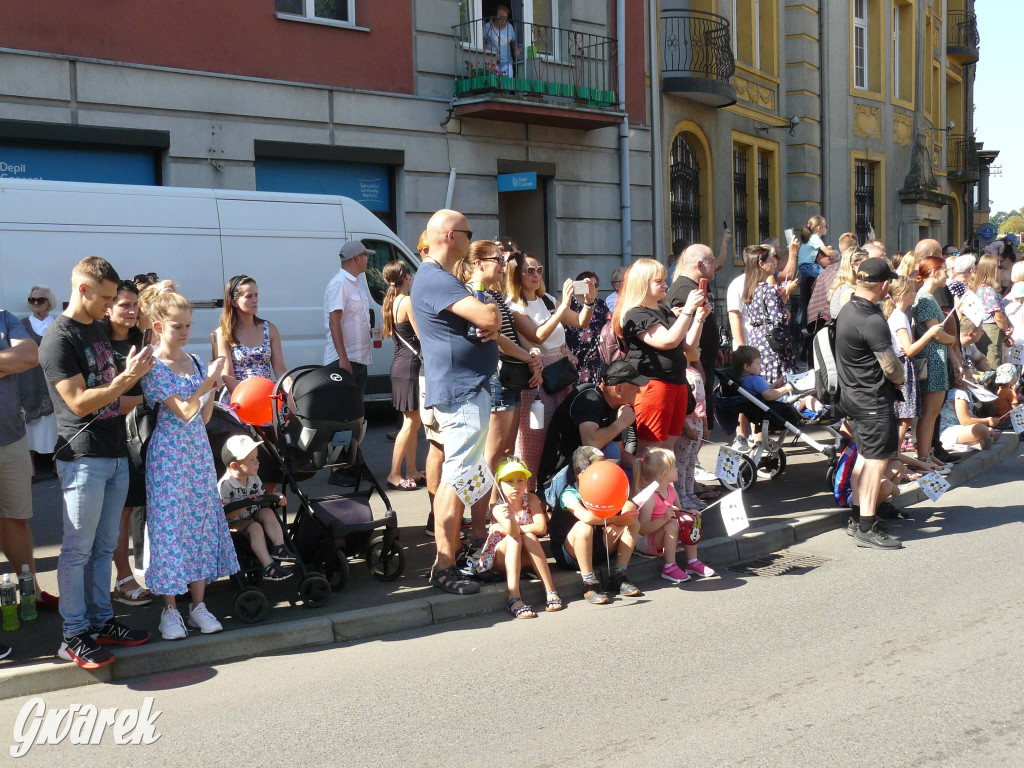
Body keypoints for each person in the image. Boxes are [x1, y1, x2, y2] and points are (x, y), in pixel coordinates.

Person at [39, 256, 154, 669]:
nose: (110, 306)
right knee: (77, 551)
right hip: (82, 457)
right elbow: (78, 401)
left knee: (104, 547)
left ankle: (102, 621)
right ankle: (72, 636)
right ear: (83, 289)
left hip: (114, 452)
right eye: (105, 297)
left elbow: (114, 398)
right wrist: (125, 379)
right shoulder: (58, 338)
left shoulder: (96, 328)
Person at [140, 289, 239, 640]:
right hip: (168, 456)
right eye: (177, 326)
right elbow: (182, 412)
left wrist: (208, 386)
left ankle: (198, 605)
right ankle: (170, 610)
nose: (184, 332)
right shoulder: (153, 366)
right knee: (169, 529)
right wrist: (209, 381)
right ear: (158, 326)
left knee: (199, 524)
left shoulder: (196, 361)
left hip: (196, 453)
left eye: (188, 325)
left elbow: (204, 414)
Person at [412, 209, 500, 595]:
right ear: (451, 236)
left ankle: (460, 556)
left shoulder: (441, 278)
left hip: (466, 388)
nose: (471, 239)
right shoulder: (434, 278)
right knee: (457, 476)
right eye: (468, 233)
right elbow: (485, 314)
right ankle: (443, 565)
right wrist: (491, 314)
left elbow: (484, 322)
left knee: (467, 475)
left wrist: (489, 321)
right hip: (460, 392)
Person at [455, 241, 540, 534]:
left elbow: (509, 335)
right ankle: (483, 521)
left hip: (510, 374)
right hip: (495, 376)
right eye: (498, 260)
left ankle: (497, 510)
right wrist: (527, 357)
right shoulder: (472, 294)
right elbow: (496, 339)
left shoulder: (493, 294)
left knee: (505, 449)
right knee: (489, 455)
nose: (504, 266)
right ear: (478, 263)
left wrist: (532, 358)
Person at [507, 252, 595, 489]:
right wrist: (563, 305)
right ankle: (529, 492)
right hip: (539, 375)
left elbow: (580, 321)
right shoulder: (512, 306)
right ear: (516, 275)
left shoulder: (546, 298)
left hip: (561, 373)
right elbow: (538, 335)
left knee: (561, 435)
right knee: (535, 438)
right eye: (530, 271)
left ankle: (556, 489)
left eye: (539, 270)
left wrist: (589, 301)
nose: (536, 275)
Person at [834, 257, 905, 550]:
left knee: (863, 458)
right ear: (885, 284)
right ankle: (866, 525)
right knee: (876, 462)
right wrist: (901, 377)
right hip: (872, 399)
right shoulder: (872, 320)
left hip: (852, 396)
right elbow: (891, 368)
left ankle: (858, 516)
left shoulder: (847, 309)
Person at [614, 258, 704, 456]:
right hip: (654, 386)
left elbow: (687, 346)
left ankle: (664, 488)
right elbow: (668, 341)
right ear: (643, 283)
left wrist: (698, 318)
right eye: (659, 281)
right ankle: (647, 487)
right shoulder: (635, 314)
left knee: (667, 450)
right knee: (651, 451)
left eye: (664, 280)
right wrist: (688, 310)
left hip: (677, 384)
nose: (665, 285)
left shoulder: (663, 309)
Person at [0, 308, 47, 659]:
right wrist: (6, 362)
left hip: (10, 438)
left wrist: (15, 359)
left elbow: (30, 355)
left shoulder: (4, 317)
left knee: (16, 518)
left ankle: (31, 592)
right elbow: (16, 359)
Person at [104, 281, 151, 607]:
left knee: (137, 506)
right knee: (119, 512)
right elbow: (112, 401)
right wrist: (132, 395)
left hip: (145, 434)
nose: (132, 310)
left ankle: (142, 572)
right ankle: (122, 579)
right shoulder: (98, 344)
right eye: (124, 304)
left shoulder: (142, 340)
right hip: (112, 438)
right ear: (108, 306)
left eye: (135, 304)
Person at [549, 446, 641, 604]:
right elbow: (586, 517)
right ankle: (589, 582)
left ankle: (619, 574)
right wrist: (617, 520)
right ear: (582, 473)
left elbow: (626, 507)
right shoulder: (569, 493)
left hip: (598, 546)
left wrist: (622, 519)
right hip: (570, 553)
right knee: (583, 526)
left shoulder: (605, 488)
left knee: (632, 518)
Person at [536, 360, 648, 488]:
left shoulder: (613, 405)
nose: (639, 391)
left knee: (640, 478)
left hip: (586, 474)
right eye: (635, 386)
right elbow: (590, 443)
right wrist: (622, 422)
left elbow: (620, 454)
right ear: (619, 388)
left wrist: (644, 466)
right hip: (559, 481)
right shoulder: (589, 399)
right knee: (612, 454)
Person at [478, 456, 563, 618]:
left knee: (528, 536)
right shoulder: (498, 507)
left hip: (523, 557)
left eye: (520, 481)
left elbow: (541, 527)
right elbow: (514, 534)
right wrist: (509, 521)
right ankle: (514, 598)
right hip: (500, 559)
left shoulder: (531, 499)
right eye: (509, 482)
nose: (515, 486)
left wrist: (510, 527)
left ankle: (550, 590)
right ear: (500, 484)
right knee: (514, 539)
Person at [217, 435, 293, 582]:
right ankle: (268, 566)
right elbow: (222, 514)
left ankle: (280, 547)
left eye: (256, 457)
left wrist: (276, 498)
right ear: (235, 466)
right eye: (251, 460)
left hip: (251, 514)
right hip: (233, 523)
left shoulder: (254, 478)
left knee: (267, 512)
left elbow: (262, 500)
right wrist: (244, 505)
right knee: (255, 527)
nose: (257, 462)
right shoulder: (225, 485)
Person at [633, 447, 714, 584]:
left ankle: (692, 562)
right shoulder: (650, 497)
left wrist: (689, 514)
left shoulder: (671, 489)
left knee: (689, 520)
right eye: (674, 467)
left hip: (663, 535)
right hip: (647, 542)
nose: (677, 469)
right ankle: (669, 566)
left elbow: (679, 513)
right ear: (664, 474)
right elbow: (643, 529)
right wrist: (664, 519)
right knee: (672, 523)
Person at [882, 276, 942, 454]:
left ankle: (896, 456)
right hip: (902, 367)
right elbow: (908, 350)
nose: (916, 294)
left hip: (901, 365)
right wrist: (929, 333)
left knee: (904, 417)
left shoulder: (898, 315)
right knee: (905, 417)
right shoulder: (899, 317)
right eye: (913, 291)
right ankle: (895, 456)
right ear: (905, 294)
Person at [381, 260, 425, 491]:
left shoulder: (391, 301)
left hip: (400, 365)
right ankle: (394, 474)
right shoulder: (407, 301)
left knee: (413, 422)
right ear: (406, 278)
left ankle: (412, 470)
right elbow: (421, 335)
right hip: (410, 367)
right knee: (410, 423)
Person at [214, 274, 288, 406]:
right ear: (234, 302)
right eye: (249, 296)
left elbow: (281, 370)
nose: (255, 300)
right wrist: (247, 400)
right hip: (239, 400)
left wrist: (292, 389)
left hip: (265, 398)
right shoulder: (224, 333)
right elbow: (227, 375)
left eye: (256, 295)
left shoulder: (270, 329)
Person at [913, 255, 958, 464]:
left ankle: (928, 453)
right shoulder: (924, 298)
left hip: (937, 358)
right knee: (930, 413)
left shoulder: (928, 297)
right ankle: (924, 456)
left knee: (933, 412)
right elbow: (937, 334)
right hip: (932, 360)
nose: (947, 274)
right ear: (934, 273)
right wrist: (953, 338)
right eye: (944, 270)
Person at [667, 243, 722, 404]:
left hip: (705, 361)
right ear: (699, 265)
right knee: (700, 422)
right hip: (697, 366)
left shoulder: (693, 287)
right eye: (712, 261)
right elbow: (685, 335)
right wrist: (698, 366)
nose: (716, 265)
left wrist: (715, 348)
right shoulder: (684, 291)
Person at [16, 286, 58, 480]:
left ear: (49, 302)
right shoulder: (21, 325)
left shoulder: (57, 324)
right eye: (32, 300)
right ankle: (30, 467)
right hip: (28, 380)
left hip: (52, 380)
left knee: (55, 426)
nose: (35, 303)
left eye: (39, 300)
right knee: (30, 427)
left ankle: (58, 463)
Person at [324, 241, 374, 392]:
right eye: (366, 255)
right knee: (343, 412)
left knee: (356, 412)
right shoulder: (339, 283)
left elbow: (354, 319)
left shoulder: (357, 284)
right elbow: (334, 323)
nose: (368, 259)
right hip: (344, 361)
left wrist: (369, 332)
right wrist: (343, 358)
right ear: (357, 258)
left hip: (359, 360)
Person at [744, 245, 797, 382]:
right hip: (772, 342)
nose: (775, 263)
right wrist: (786, 313)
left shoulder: (751, 288)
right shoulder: (769, 290)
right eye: (771, 260)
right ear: (761, 264)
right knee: (778, 380)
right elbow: (777, 319)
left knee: (763, 379)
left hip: (756, 338)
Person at [565, 271, 610, 384]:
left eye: (596, 285)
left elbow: (609, 325)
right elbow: (560, 334)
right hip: (574, 359)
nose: (593, 288)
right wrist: (568, 354)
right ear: (578, 286)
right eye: (589, 285)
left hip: (595, 360)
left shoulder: (600, 304)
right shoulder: (569, 305)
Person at [970, 253, 1013, 369]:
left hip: (987, 328)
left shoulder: (980, 288)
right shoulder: (988, 290)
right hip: (991, 329)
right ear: (991, 270)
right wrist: (1007, 331)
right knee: (993, 362)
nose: (1000, 270)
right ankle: (993, 387)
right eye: (998, 267)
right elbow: (998, 316)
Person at [795, 215, 836, 329]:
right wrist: (834, 252)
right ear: (819, 228)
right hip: (809, 266)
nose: (827, 228)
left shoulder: (811, 239)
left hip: (806, 266)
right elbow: (827, 253)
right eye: (825, 226)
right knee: (828, 276)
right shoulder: (815, 239)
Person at [937, 386, 1001, 452]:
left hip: (960, 429)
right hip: (947, 432)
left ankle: (980, 439)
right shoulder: (959, 393)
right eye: (970, 377)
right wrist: (987, 421)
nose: (973, 379)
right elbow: (965, 421)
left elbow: (971, 416)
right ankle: (977, 441)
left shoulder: (967, 393)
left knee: (986, 429)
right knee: (982, 430)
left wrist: (986, 426)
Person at [827, 246, 869, 318]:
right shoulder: (849, 292)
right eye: (866, 264)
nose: (869, 268)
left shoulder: (842, 288)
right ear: (853, 266)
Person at [482, 5, 519, 77]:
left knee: (508, 84)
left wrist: (516, 49)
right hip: (492, 61)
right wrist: (490, 51)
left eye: (505, 18)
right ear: (495, 17)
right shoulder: (487, 26)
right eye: (500, 18)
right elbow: (481, 44)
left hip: (507, 62)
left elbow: (513, 42)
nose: (503, 20)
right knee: (495, 84)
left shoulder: (509, 27)